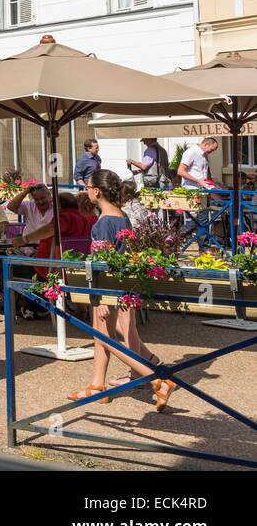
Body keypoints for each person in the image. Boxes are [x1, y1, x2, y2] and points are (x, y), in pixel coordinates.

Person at [68, 169, 175, 412]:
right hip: (124, 286)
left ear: (96, 191)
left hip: (107, 289)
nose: (86, 191)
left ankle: (157, 379)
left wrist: (102, 297)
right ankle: (97, 386)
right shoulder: (122, 217)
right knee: (107, 335)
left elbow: (102, 263)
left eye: (88, 187)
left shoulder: (103, 224)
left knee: (105, 338)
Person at [8, 183, 54, 257]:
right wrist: (25, 192)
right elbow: (11, 207)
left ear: (49, 195)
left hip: (49, 250)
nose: (40, 202)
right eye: (37, 199)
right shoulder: (29, 205)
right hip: (27, 249)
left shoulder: (57, 207)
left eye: (43, 198)